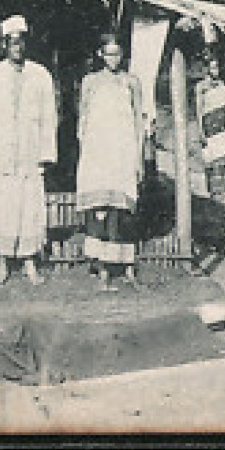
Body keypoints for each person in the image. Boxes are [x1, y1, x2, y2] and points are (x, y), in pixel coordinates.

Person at [0, 15, 58, 285]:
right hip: (1, 153)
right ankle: (4, 264)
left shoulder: (41, 75)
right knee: (3, 208)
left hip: (29, 153)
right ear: (4, 46)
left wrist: (46, 153)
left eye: (21, 43)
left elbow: (49, 118)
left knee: (29, 207)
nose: (17, 48)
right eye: (12, 43)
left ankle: (30, 263)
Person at [75, 33, 145, 290]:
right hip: (98, 153)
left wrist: (138, 155)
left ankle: (126, 266)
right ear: (100, 55)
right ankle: (102, 267)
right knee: (99, 206)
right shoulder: (90, 82)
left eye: (117, 53)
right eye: (108, 53)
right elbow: (83, 119)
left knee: (122, 208)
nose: (113, 58)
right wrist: (87, 152)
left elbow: (139, 119)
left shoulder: (131, 82)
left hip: (123, 153)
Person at [197, 55, 225, 195]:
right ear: (207, 68)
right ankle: (213, 190)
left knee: (223, 157)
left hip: (223, 126)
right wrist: (201, 131)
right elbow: (199, 110)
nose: (216, 70)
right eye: (212, 67)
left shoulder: (224, 85)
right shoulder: (201, 86)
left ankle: (223, 190)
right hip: (210, 126)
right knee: (212, 158)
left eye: (217, 67)